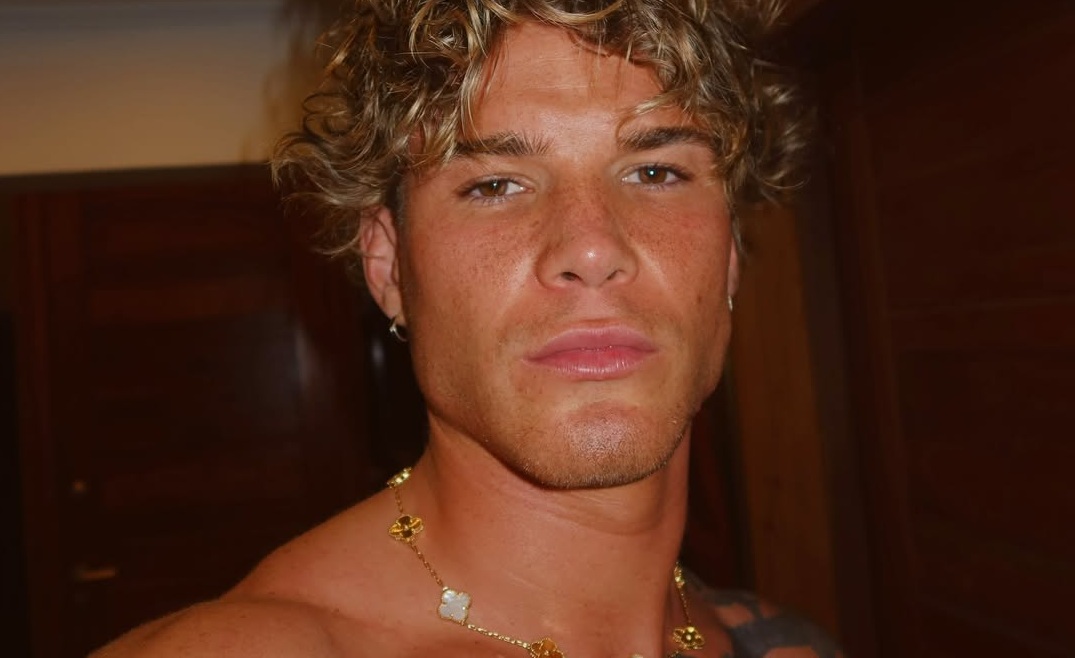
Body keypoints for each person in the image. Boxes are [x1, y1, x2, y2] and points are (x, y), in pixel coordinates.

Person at [95, 0, 840, 656]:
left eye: (656, 173)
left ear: (730, 252)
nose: (591, 249)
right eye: (496, 185)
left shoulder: (786, 642)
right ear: (389, 266)